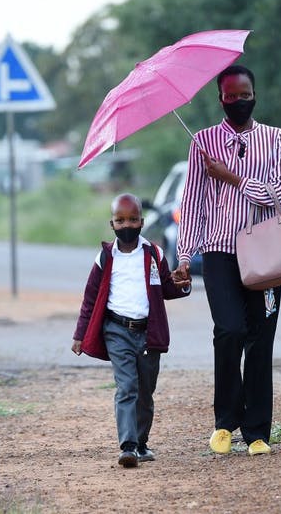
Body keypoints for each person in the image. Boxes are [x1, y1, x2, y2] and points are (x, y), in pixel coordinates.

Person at [173, 65, 281, 456]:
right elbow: (192, 202)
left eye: (246, 95)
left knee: (261, 339)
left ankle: (257, 431)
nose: (239, 102)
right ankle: (225, 422)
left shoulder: (275, 139)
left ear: (255, 95)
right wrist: (186, 254)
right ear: (220, 99)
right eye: (231, 96)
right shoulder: (203, 142)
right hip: (221, 252)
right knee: (229, 331)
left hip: (266, 253)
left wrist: (233, 177)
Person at [72, 193, 191, 468]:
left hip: (148, 333)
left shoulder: (153, 254)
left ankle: (140, 443)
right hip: (116, 330)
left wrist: (181, 282)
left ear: (142, 221)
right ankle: (127, 446)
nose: (127, 225)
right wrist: (79, 334)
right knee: (127, 387)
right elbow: (90, 299)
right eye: (120, 220)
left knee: (145, 392)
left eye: (133, 220)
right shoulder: (105, 257)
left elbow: (166, 288)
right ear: (112, 224)